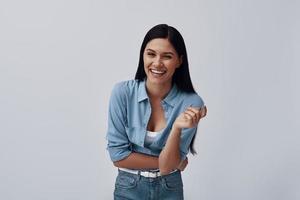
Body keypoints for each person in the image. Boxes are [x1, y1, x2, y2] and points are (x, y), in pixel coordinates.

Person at [106, 24, 207, 200]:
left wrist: (176, 128)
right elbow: (118, 156)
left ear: (179, 61)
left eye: (167, 56)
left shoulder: (192, 103)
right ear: (143, 55)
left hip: (170, 187)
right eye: (151, 54)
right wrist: (175, 163)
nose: (157, 63)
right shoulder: (122, 93)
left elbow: (168, 168)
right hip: (128, 186)